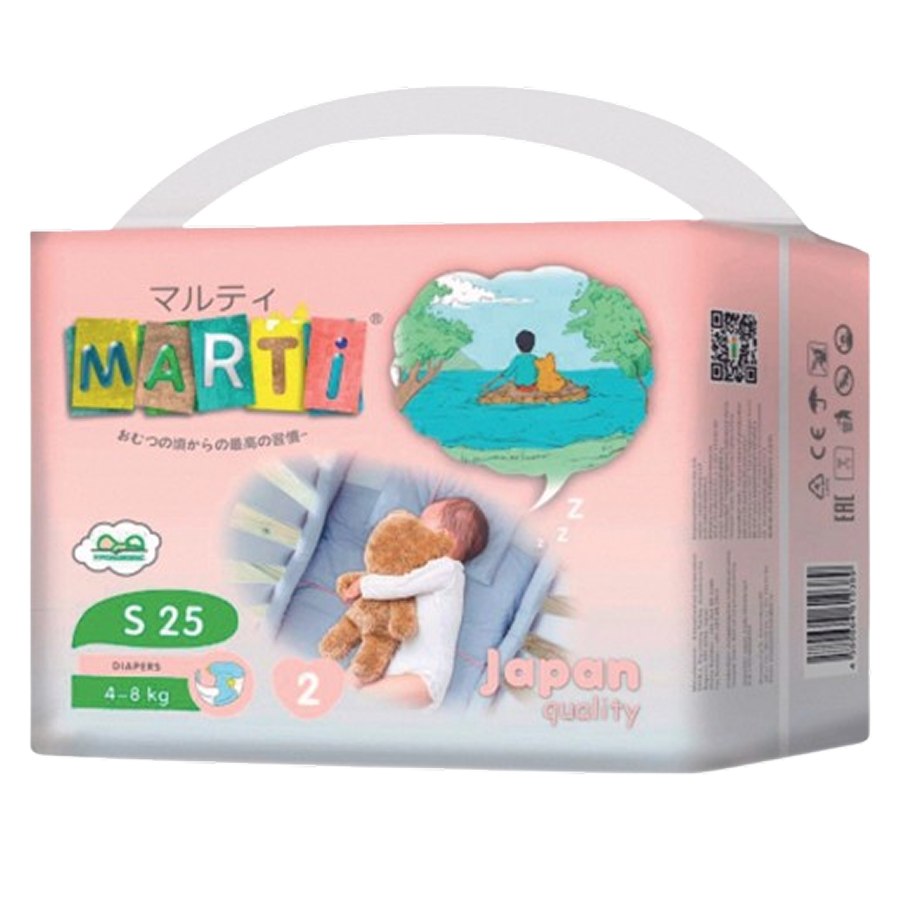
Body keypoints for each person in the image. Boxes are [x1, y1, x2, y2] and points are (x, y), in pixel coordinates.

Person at [338, 497, 489, 710]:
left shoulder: (448, 570)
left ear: (445, 538)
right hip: (395, 667)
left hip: (423, 679)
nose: (412, 527)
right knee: (350, 683)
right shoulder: (420, 569)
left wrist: (364, 585)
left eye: (420, 523)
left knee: (358, 703)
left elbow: (401, 585)